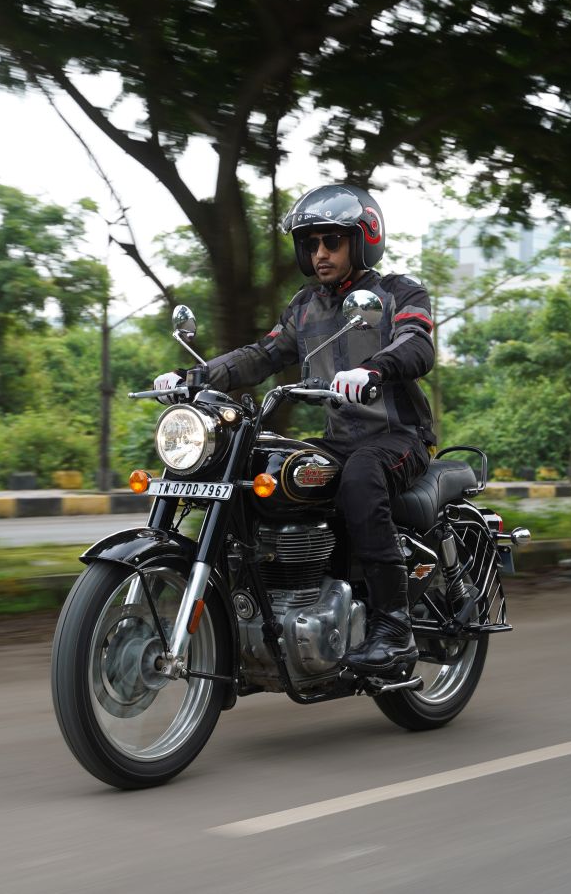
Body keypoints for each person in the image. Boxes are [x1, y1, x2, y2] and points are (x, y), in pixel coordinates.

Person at [153, 183, 436, 680]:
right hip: (339, 439)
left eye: (332, 242)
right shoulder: (306, 306)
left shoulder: (398, 293)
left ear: (362, 239)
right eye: (312, 244)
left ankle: (394, 628)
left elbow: (417, 343)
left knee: (361, 477)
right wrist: (192, 378)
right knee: (266, 472)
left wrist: (375, 370)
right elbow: (261, 356)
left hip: (399, 437)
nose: (320, 253)